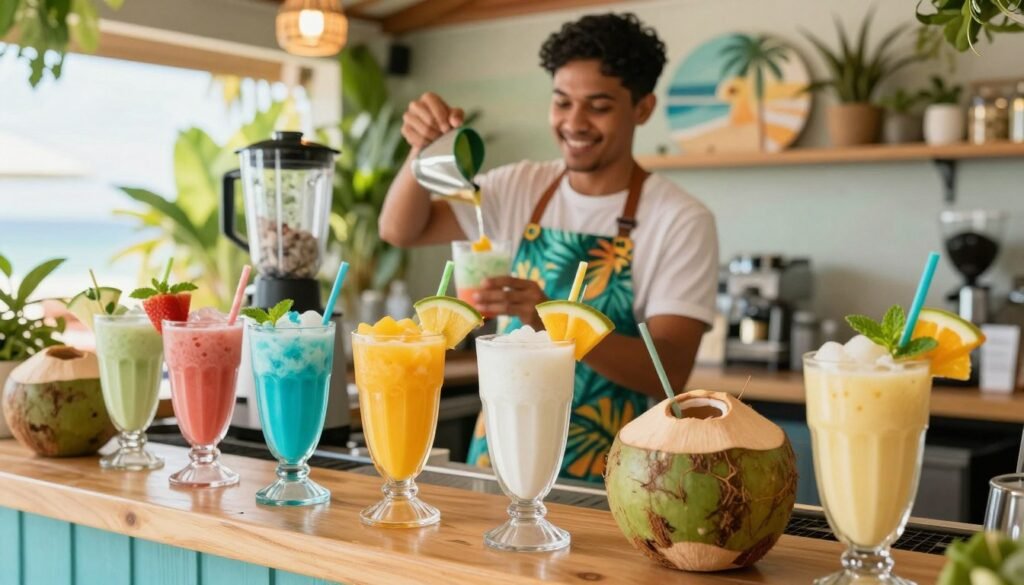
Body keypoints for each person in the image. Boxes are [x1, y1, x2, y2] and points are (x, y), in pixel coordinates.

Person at [379, 13, 719, 483]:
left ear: (642, 108)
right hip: (500, 454)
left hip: (616, 474)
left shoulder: (679, 219)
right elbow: (402, 230)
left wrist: (552, 320)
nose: (574, 123)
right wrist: (423, 149)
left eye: (598, 106)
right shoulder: (518, 186)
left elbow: (668, 371)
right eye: (562, 102)